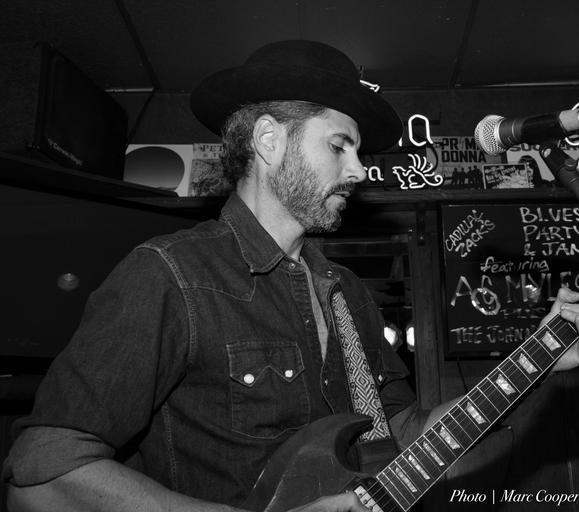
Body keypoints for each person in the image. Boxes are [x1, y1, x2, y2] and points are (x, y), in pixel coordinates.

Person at [3, 40, 579, 512]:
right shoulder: (170, 274)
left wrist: (542, 355)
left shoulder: (347, 293)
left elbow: (402, 435)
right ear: (269, 141)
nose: (358, 170)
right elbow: (40, 479)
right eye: (340, 146)